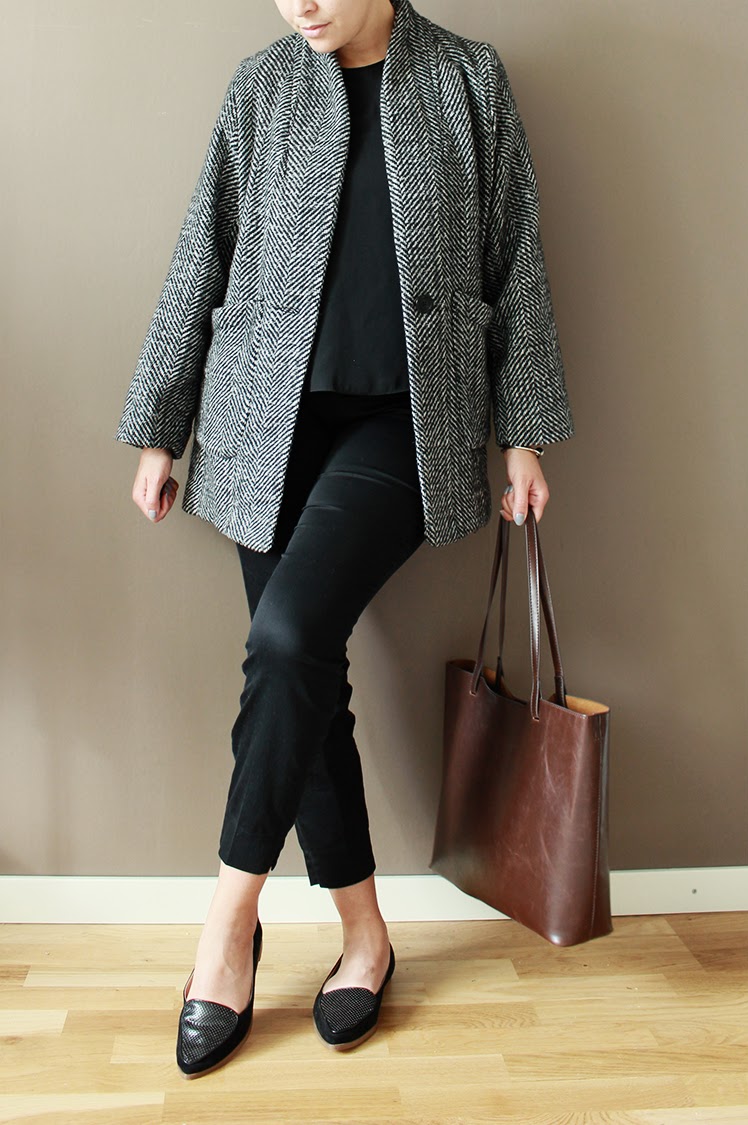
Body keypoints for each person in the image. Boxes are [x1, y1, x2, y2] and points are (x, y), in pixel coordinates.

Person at [116, 0, 574, 1076]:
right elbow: (201, 252)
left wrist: (524, 433)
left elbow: (516, 256)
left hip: (405, 426)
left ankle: (227, 927)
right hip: (258, 426)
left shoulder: (468, 79)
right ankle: (365, 935)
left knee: (284, 643)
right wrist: (160, 427)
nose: (303, 5)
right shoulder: (261, 84)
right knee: (304, 675)